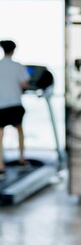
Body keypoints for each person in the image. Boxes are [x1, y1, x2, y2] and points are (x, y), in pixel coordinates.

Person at [0, 40, 30, 176]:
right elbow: (24, 85)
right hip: (14, 104)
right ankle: (22, 159)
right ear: (13, 51)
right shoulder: (18, 66)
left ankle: (1, 165)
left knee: (0, 135)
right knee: (19, 130)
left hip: (1, 106)